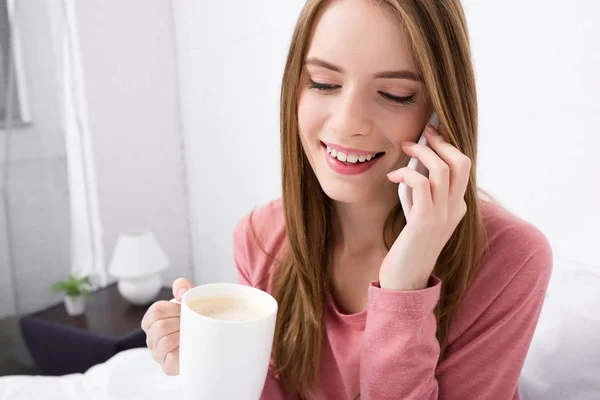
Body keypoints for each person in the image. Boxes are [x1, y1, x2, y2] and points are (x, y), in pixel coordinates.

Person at [141, 0, 552, 398]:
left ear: (440, 112)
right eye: (323, 83)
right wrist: (212, 359)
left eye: (395, 93)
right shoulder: (261, 238)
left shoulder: (511, 260)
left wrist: (404, 289)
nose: (348, 123)